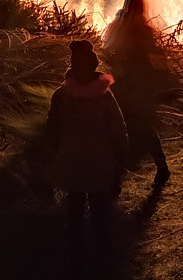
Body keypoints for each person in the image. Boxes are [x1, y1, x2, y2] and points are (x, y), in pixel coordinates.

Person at [46, 40, 128, 271]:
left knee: (75, 208)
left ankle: (76, 255)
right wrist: (121, 156)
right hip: (99, 158)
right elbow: (118, 127)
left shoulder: (61, 95)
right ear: (94, 66)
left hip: (72, 157)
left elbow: (52, 127)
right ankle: (102, 255)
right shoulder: (104, 95)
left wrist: (57, 152)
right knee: (100, 207)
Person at [102, 0, 174, 185]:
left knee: (144, 125)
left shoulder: (141, 31)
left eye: (138, 10)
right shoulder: (121, 29)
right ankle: (117, 172)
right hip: (125, 84)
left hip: (140, 84)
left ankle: (161, 167)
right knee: (120, 125)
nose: (137, 13)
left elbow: (151, 53)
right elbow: (111, 51)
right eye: (135, 9)